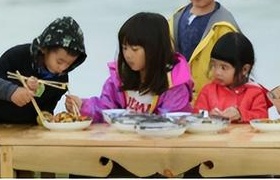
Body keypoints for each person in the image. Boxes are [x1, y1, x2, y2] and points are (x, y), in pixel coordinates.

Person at [65, 12, 193, 123]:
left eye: (135, 49)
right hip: (124, 144)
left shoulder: (174, 85)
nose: (128, 55)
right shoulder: (119, 79)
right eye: (124, 48)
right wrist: (82, 106)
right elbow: (106, 110)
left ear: (155, 49)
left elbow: (172, 122)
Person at [0, 17, 87, 124]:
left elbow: (47, 108)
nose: (63, 68)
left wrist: (47, 117)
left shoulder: (61, 80)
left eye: (69, 64)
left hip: (26, 126)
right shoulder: (16, 57)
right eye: (59, 61)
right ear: (45, 49)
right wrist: (21, 87)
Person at [169, 0, 239, 101]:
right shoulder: (175, 18)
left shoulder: (224, 27)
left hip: (212, 102)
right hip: (177, 99)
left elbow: (236, 71)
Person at [193, 32, 271, 122]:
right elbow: (196, 116)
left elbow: (263, 118)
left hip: (246, 136)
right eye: (213, 65)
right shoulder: (207, 91)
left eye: (223, 67)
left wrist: (241, 114)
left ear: (244, 69)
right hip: (214, 136)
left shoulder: (255, 93)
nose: (217, 72)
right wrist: (208, 116)